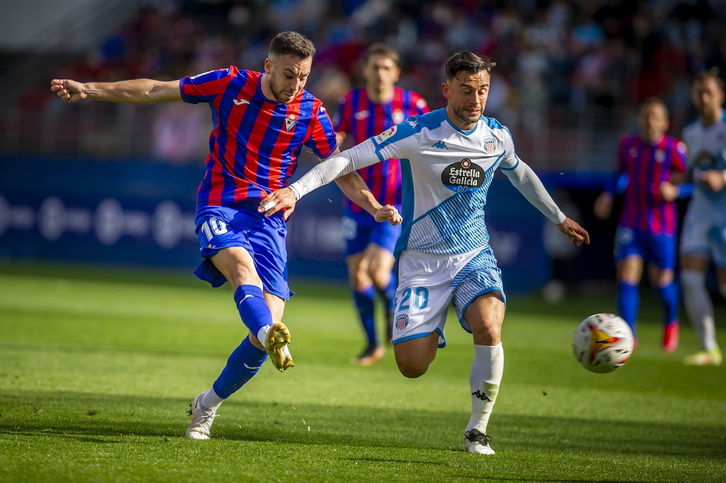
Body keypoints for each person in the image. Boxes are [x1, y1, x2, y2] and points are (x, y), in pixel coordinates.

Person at [50, 31, 402, 439]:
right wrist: (90, 89)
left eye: (304, 77)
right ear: (268, 65)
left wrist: (374, 206)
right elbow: (155, 89)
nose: (296, 85)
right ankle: (268, 332)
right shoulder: (230, 82)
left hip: (270, 219)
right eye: (289, 75)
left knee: (263, 329)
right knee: (239, 268)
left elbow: (339, 168)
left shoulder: (311, 111)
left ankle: (208, 403)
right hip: (220, 204)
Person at [258, 51, 590, 454]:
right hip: (421, 262)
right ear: (447, 89)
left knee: (489, 325)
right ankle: (432, 324)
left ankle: (477, 429)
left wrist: (557, 217)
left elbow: (519, 172)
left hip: (473, 255)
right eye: (467, 90)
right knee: (412, 366)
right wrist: (295, 189)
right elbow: (347, 158)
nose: (476, 99)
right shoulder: (418, 131)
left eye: (483, 90)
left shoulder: (497, 136)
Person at [334, 43, 430, 365]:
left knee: (376, 270)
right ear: (364, 70)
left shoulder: (412, 103)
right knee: (357, 276)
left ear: (396, 73)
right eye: (374, 67)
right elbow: (335, 139)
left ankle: (394, 310)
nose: (380, 74)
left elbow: (432, 144)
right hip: (357, 202)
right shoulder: (350, 102)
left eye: (386, 68)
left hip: (394, 204)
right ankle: (372, 344)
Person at [593, 97, 689, 351]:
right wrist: (608, 194)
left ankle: (670, 322)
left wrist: (676, 191)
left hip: (662, 225)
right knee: (626, 274)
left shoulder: (674, 148)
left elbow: (690, 179)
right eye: (646, 115)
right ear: (640, 119)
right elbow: (619, 174)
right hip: (631, 222)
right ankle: (629, 335)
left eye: (656, 116)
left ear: (665, 122)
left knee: (662, 281)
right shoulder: (628, 145)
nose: (650, 121)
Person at [679, 69, 726, 366]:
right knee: (691, 279)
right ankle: (709, 348)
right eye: (699, 92)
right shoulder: (690, 133)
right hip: (700, 213)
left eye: (709, 92)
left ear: (720, 95)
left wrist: (723, 177)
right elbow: (688, 172)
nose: (704, 97)